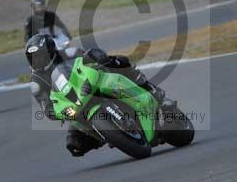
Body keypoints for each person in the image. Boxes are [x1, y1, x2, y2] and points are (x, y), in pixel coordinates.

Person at [25, 34, 167, 157]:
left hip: (90, 82)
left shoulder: (68, 53)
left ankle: (149, 87)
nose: (37, 61)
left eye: (40, 56)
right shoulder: (36, 83)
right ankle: (107, 134)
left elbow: (90, 55)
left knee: (118, 61)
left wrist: (99, 57)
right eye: (32, 58)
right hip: (76, 104)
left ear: (51, 51)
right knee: (74, 144)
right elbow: (47, 108)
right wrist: (59, 113)